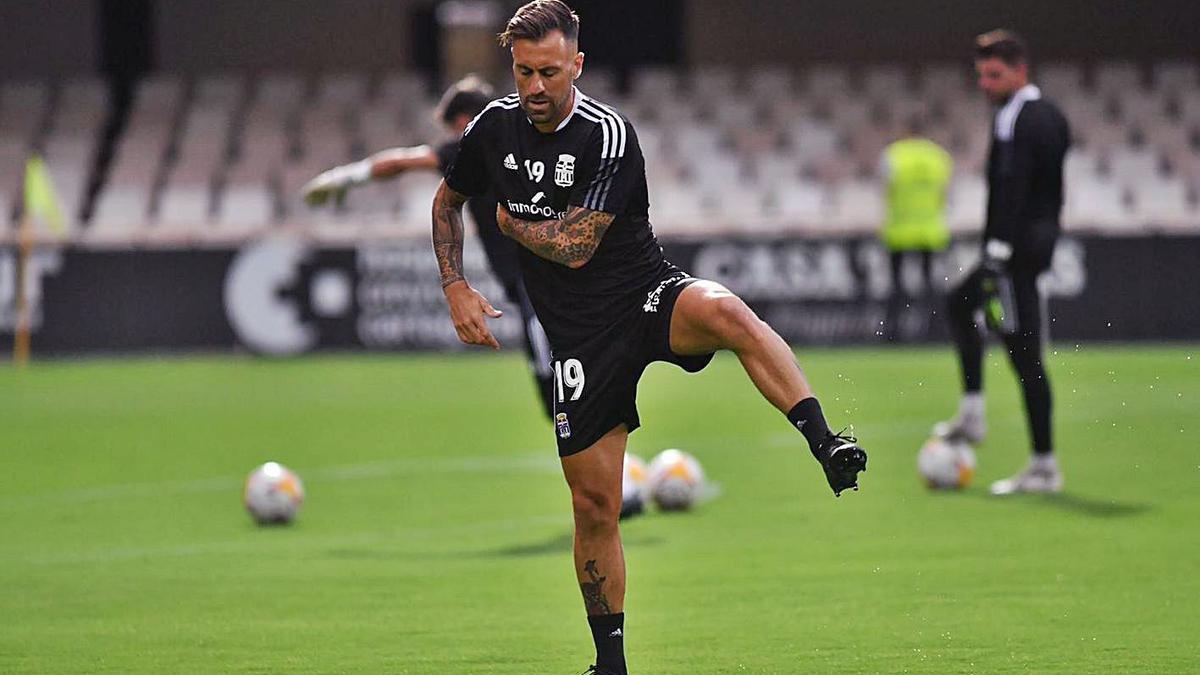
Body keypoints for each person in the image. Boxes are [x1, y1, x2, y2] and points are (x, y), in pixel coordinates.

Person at [430, 2, 868, 673]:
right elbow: (447, 200)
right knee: (594, 506)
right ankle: (611, 663)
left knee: (729, 314)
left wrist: (514, 227)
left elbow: (575, 245)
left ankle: (824, 439)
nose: (536, 86)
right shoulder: (493, 127)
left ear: (577, 64)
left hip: (644, 297)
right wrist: (455, 285)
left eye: (550, 71)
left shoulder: (607, 134)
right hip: (578, 338)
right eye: (524, 72)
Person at [303, 75, 556, 419]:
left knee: (552, 372)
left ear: (463, 120)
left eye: (452, 127)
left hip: (537, 277)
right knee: (554, 371)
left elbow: (401, 162)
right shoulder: (528, 139)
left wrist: (343, 178)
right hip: (547, 268)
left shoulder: (473, 144)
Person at [937, 30, 1070, 495]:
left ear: (1020, 71)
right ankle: (982, 418)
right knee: (970, 311)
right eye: (982, 75)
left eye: (994, 75)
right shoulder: (1047, 115)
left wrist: (997, 251)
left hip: (1012, 259)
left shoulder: (1020, 118)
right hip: (1024, 254)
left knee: (1023, 354)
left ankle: (1040, 462)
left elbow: (1016, 188)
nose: (985, 84)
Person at [879, 118, 953, 342]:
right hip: (930, 229)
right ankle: (933, 329)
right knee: (929, 282)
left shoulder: (894, 155)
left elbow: (885, 189)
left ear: (906, 130)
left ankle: (894, 331)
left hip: (899, 229)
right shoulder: (938, 157)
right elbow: (945, 193)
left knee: (896, 284)